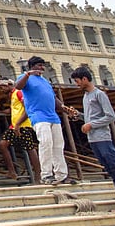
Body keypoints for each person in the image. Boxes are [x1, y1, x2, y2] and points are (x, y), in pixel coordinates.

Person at [68, 66, 115, 215]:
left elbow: (111, 116)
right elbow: (90, 117)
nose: (76, 84)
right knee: (111, 170)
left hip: (103, 138)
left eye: (77, 81)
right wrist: (78, 115)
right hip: (93, 139)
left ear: (85, 79)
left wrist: (91, 124)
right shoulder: (86, 96)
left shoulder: (99, 95)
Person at [14, 56, 73, 185]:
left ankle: (61, 175)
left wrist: (64, 108)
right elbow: (18, 86)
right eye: (39, 65)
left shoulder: (45, 81)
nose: (42, 68)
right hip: (38, 116)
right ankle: (46, 175)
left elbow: (53, 98)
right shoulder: (26, 78)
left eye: (43, 65)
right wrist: (28, 74)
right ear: (32, 66)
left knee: (58, 145)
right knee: (46, 143)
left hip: (53, 116)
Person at [0, 78, 41, 182]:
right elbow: (12, 110)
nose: (1, 89)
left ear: (8, 85)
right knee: (2, 144)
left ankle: (38, 175)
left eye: (2, 87)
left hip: (23, 125)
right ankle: (12, 171)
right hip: (15, 126)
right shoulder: (12, 95)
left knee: (30, 148)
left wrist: (19, 124)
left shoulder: (19, 92)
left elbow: (28, 108)